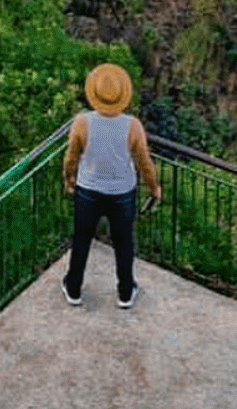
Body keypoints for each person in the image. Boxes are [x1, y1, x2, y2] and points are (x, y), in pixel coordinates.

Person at [61, 62, 163, 309]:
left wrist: (68, 177)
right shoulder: (132, 125)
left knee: (82, 240)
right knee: (124, 243)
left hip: (88, 192)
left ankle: (74, 288)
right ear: (122, 96)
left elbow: (71, 157)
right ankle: (125, 293)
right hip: (122, 195)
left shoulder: (82, 122)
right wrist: (154, 188)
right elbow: (144, 162)